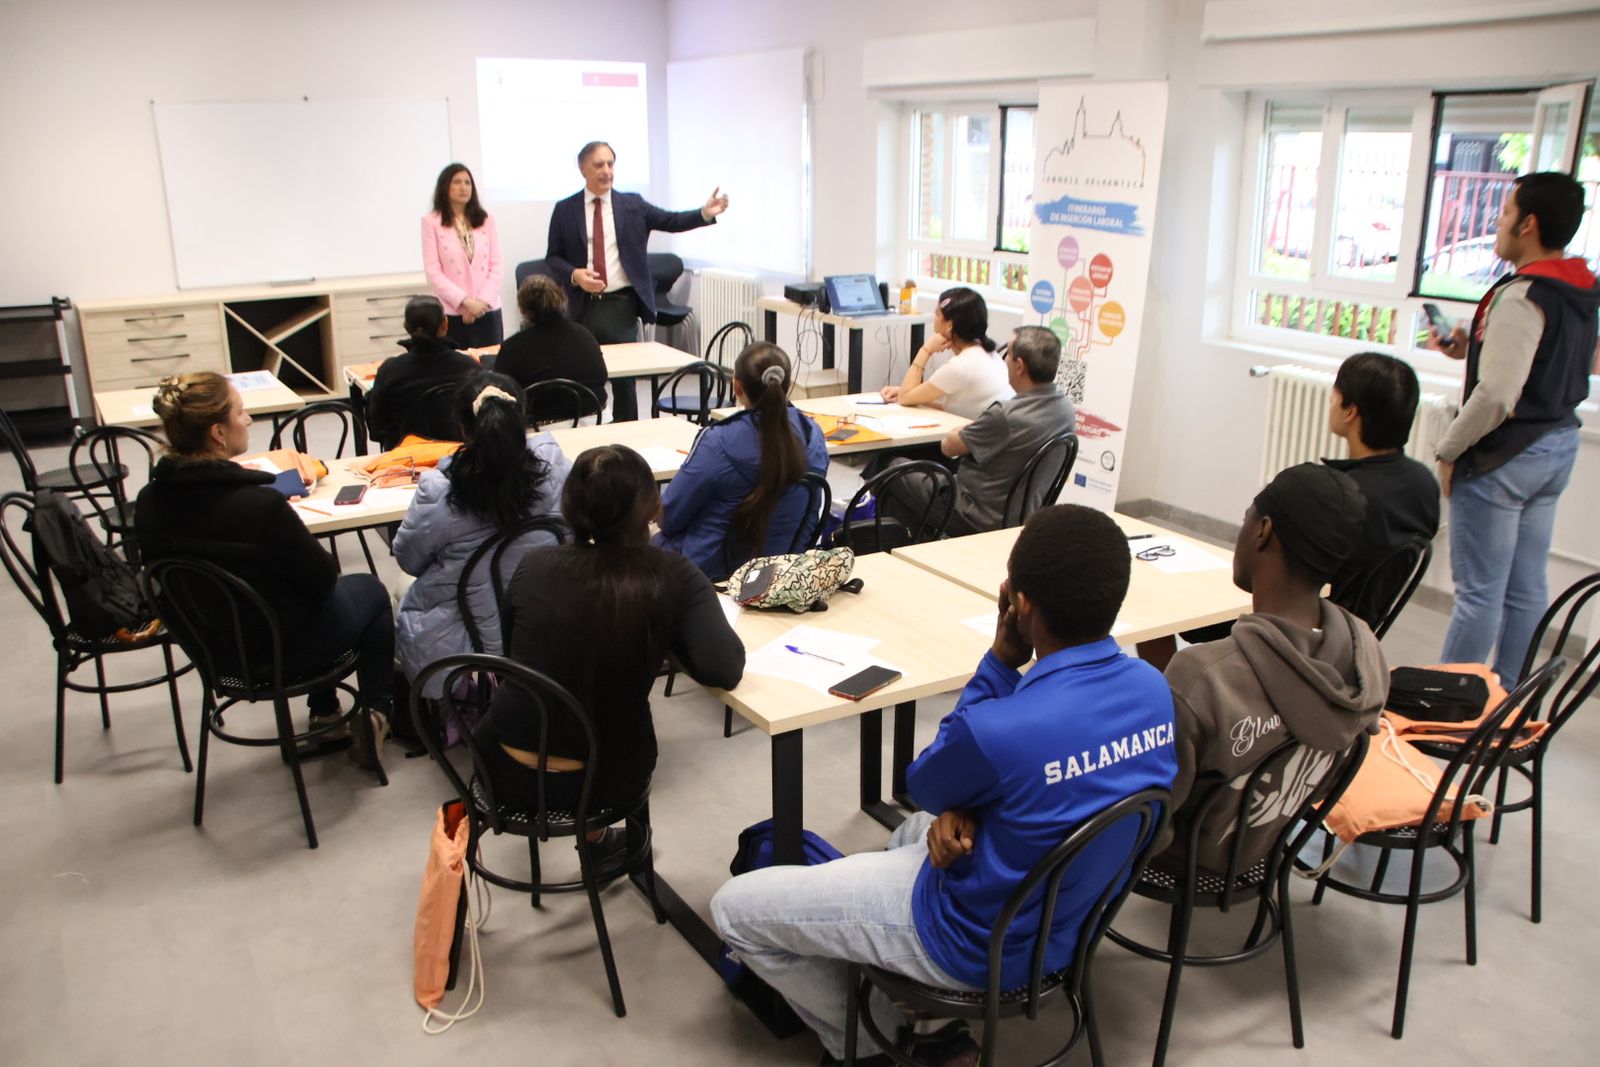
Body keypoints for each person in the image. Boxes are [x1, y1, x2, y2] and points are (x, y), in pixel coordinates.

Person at [712, 505, 1177, 1067]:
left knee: (735, 910)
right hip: (1067, 926)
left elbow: (925, 783)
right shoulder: (1154, 689)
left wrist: (1002, 660)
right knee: (914, 831)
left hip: (971, 941)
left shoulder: (1001, 729)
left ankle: (879, 1044)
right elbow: (1058, 790)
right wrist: (973, 810)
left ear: (1019, 603)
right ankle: (888, 978)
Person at [476, 445, 744, 864]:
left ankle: (597, 841)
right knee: (606, 724)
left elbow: (515, 655)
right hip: (602, 781)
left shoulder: (533, 565)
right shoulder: (672, 576)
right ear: (653, 507)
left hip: (501, 767)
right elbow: (724, 668)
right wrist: (669, 635)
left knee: (568, 711)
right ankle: (598, 844)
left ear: (569, 504)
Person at [134, 372, 394, 757]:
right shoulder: (259, 508)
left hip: (215, 652)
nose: (249, 420)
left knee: (297, 595)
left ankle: (325, 716)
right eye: (241, 412)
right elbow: (323, 580)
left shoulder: (148, 502)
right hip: (286, 650)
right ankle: (375, 714)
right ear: (218, 433)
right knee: (369, 590)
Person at [1160, 463, 1387, 874]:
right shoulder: (1364, 651)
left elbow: (1153, 814)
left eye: (1247, 516)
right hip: (1268, 841)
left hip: (1188, 857)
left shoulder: (1203, 675)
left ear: (1263, 530)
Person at [1431, 171, 1597, 685]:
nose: (1497, 223)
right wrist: (1471, 348)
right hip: (1557, 448)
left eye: (1504, 213)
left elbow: (1499, 395)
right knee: (1525, 588)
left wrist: (1449, 448)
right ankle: (1506, 697)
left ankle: (1452, 708)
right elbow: (1580, 359)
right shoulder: (1582, 287)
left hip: (1504, 459)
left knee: (1480, 593)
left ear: (1529, 223)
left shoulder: (1524, 294)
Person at [391, 372, 571, 697]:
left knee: (399, 590)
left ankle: (442, 710)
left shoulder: (441, 492)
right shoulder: (556, 469)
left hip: (470, 639)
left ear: (461, 429)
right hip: (546, 621)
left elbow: (408, 559)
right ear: (522, 419)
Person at [544, 141, 729, 420]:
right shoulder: (565, 209)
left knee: (626, 382)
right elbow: (553, 257)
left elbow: (671, 221)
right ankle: (586, 436)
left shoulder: (632, 204)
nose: (606, 171)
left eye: (610, 164)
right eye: (598, 165)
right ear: (583, 169)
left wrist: (704, 214)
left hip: (620, 305)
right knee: (582, 375)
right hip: (580, 307)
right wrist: (575, 275)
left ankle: (626, 437)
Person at [880, 325, 1075, 538]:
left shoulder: (1005, 415)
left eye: (1008, 355)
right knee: (906, 496)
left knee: (892, 467)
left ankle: (901, 544)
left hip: (973, 513)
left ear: (1019, 366)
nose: (1004, 361)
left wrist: (969, 426)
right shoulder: (1065, 409)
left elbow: (948, 446)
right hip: (1025, 514)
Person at [655, 342, 829, 579]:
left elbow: (669, 518)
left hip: (711, 574)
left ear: (736, 386)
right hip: (783, 569)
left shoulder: (717, 442)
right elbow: (809, 518)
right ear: (787, 386)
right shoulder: (814, 437)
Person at [1323, 352, 1441, 626]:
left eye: (1335, 394)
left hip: (1309, 635)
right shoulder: (1423, 484)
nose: (1331, 400)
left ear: (1351, 411)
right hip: (1364, 632)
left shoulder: (1336, 492)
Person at [366, 296, 481, 450]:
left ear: (406, 327)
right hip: (459, 454)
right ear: (445, 324)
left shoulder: (390, 370)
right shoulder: (470, 367)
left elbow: (376, 431)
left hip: (406, 460)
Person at [878, 287, 1012, 420]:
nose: (934, 319)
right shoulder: (990, 355)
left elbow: (904, 398)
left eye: (937, 314)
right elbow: (954, 409)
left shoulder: (960, 366)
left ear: (949, 326)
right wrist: (909, 393)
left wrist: (926, 350)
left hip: (978, 439)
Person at [492, 274, 609, 424]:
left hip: (541, 426)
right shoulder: (584, 335)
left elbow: (502, 394)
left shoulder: (512, 347)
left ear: (523, 308)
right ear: (561, 299)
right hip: (595, 419)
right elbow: (601, 376)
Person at [420, 162, 505, 348]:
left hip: (487, 309)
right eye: (457, 182)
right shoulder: (431, 222)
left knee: (490, 370)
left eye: (468, 182)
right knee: (458, 370)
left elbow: (496, 265)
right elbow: (433, 273)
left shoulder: (485, 219)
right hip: (453, 312)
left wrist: (480, 303)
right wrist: (465, 303)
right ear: (445, 186)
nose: (463, 187)